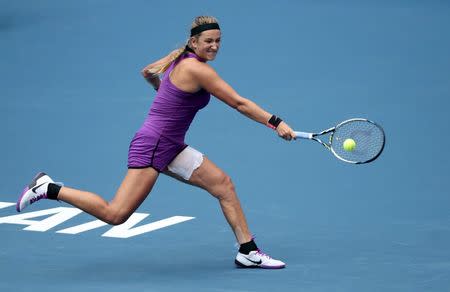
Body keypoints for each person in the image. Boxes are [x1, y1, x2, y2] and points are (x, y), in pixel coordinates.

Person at [16, 16, 296, 269]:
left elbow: (148, 72)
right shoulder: (198, 70)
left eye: (218, 41)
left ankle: (247, 251)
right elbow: (238, 102)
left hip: (170, 145)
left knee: (224, 185)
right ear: (194, 41)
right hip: (154, 146)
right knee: (116, 214)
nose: (214, 46)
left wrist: (165, 94)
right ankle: (49, 188)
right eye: (208, 41)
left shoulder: (180, 58)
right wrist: (276, 123)